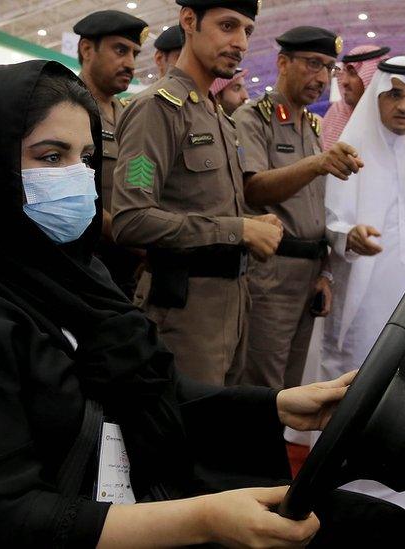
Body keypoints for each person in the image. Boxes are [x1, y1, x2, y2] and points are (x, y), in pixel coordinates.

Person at [0, 58, 405, 549]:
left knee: (380, 527)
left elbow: (148, 393)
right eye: (50, 156)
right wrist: (204, 520)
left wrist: (277, 404)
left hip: (144, 480)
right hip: (89, 519)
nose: (76, 181)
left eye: (86, 159)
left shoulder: (71, 271)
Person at [109, 0, 282, 386]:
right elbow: (131, 219)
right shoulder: (157, 111)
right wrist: (238, 230)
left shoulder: (217, 115)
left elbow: (204, 206)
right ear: (189, 20)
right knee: (190, 435)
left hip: (233, 303)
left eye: (247, 31)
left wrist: (251, 224)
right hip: (185, 311)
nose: (240, 42)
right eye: (227, 26)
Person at [322, 56, 405, 521]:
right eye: (394, 94)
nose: (403, 105)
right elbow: (331, 221)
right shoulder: (351, 149)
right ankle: (345, 487)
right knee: (360, 381)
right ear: (377, 97)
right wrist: (348, 237)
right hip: (366, 294)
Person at [233, 26, 363, 389]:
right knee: (262, 385)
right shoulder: (253, 118)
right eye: (312, 64)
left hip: (307, 275)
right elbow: (252, 188)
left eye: (327, 68)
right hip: (270, 273)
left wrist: (324, 272)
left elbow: (315, 210)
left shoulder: (310, 125)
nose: (321, 77)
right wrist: (317, 164)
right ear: (283, 63)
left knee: (289, 388)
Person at [74, 10, 148, 296]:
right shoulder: (66, 107)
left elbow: (141, 175)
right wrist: (136, 238)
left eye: (134, 53)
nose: (130, 63)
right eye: (120, 50)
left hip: (130, 266)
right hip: (88, 262)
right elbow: (79, 195)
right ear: (87, 49)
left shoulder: (130, 115)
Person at [321, 44, 391, 151]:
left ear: (372, 77)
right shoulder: (337, 111)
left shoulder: (391, 119)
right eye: (344, 73)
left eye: (353, 74)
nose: (344, 82)